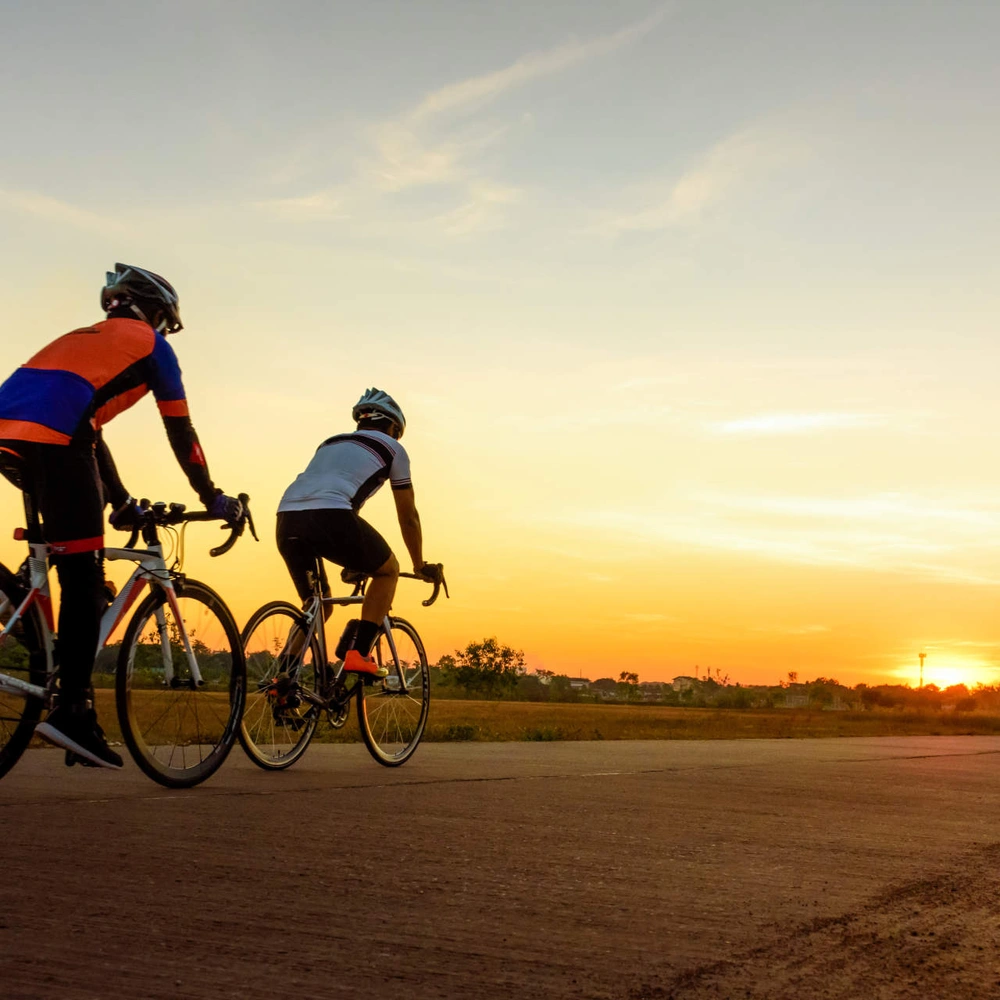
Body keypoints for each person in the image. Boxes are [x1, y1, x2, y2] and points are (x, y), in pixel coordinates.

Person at [0, 263, 244, 768]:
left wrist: (121, 500)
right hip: (59, 444)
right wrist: (211, 495)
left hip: (13, 436)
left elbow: (88, 428)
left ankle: (22, 613)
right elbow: (183, 433)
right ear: (156, 313)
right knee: (84, 579)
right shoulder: (153, 348)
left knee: (65, 553)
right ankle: (72, 713)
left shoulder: (80, 339)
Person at [276, 388, 439, 675]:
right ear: (393, 428)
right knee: (388, 570)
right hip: (332, 514)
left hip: (287, 516)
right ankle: (359, 654)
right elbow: (408, 517)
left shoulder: (329, 443)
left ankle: (282, 678)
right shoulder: (394, 449)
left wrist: (354, 561)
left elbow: (336, 495)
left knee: (317, 605)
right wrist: (419, 564)